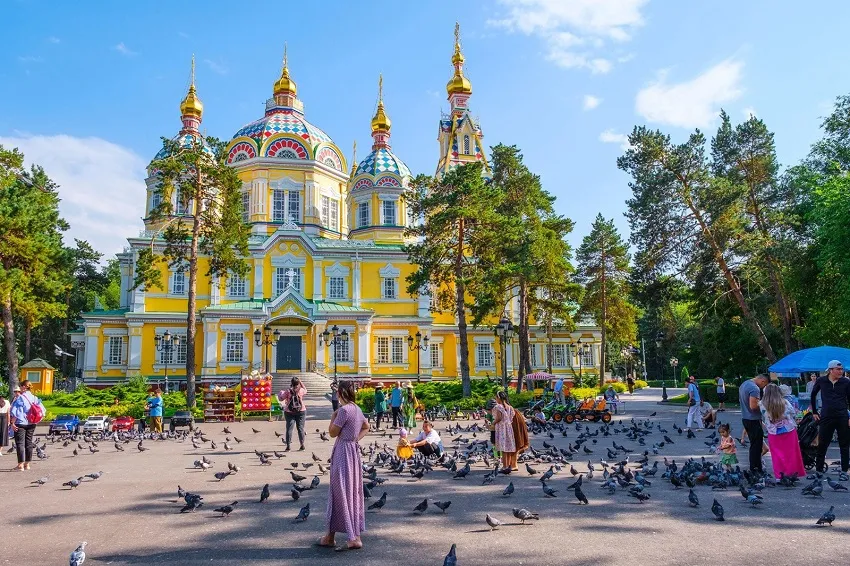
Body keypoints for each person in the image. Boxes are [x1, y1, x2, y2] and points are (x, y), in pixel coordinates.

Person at [320, 381, 368, 551]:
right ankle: (335, 536)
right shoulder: (357, 408)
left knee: (339, 490)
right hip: (353, 451)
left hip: (342, 451)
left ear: (340, 393)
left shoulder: (343, 411)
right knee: (352, 491)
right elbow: (366, 427)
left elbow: (333, 433)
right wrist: (355, 439)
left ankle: (352, 537)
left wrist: (333, 418)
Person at [759, 383, 806, 479]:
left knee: (776, 455)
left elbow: (762, 415)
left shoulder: (762, 404)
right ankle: (792, 473)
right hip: (788, 429)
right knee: (791, 453)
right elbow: (793, 412)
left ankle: (779, 476)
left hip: (773, 431)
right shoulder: (785, 402)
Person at [811, 360, 850, 473]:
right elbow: (813, 394)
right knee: (823, 443)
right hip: (826, 416)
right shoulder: (821, 381)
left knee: (844, 444)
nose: (841, 371)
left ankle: (844, 470)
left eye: (841, 369)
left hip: (842, 415)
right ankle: (818, 470)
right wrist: (814, 411)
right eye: (838, 369)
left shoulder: (845, 382)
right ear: (830, 370)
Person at [9, 380, 44, 471]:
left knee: (20, 443)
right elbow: (42, 411)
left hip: (21, 423)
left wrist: (12, 423)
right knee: (29, 443)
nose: (19, 389)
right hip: (32, 423)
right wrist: (36, 420)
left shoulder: (20, 398)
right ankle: (27, 464)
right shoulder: (35, 398)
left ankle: (20, 465)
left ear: (24, 387)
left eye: (20, 386)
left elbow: (16, 412)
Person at [739, 374, 770, 473]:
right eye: (764, 385)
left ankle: (754, 467)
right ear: (763, 381)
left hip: (745, 417)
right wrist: (764, 406)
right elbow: (753, 406)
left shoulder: (744, 384)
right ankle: (756, 468)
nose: (763, 387)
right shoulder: (754, 388)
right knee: (756, 446)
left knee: (754, 445)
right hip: (753, 419)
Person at [280, 377, 307, 451]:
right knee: (300, 428)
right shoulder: (301, 390)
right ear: (298, 383)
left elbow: (281, 398)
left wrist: (281, 393)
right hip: (301, 411)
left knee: (289, 429)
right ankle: (302, 445)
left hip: (289, 412)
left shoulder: (288, 391)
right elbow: (306, 390)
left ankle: (288, 446)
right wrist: (301, 383)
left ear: (291, 383)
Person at [492, 390, 517, 472]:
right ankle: (506, 466)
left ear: (498, 398)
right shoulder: (510, 407)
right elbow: (511, 418)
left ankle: (504, 466)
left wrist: (493, 423)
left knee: (503, 448)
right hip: (508, 428)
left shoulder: (498, 407)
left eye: (496, 397)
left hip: (502, 428)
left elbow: (499, 418)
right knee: (507, 448)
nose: (495, 399)